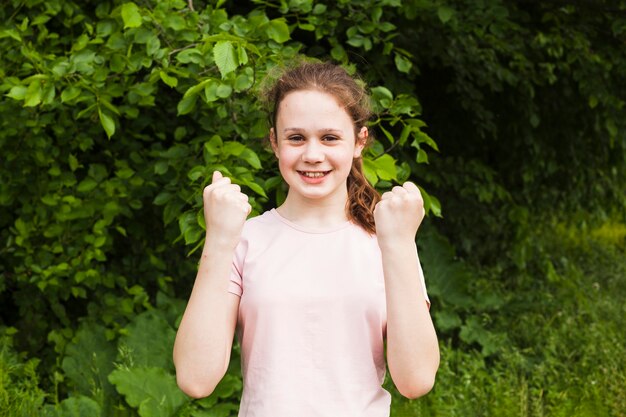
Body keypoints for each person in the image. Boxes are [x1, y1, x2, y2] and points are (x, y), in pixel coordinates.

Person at [173, 61, 440, 417]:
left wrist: (401, 245)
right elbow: (195, 378)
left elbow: (416, 380)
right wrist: (219, 240)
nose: (312, 155)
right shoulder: (244, 240)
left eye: (329, 137)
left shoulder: (389, 242)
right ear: (274, 142)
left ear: (359, 141)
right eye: (296, 137)